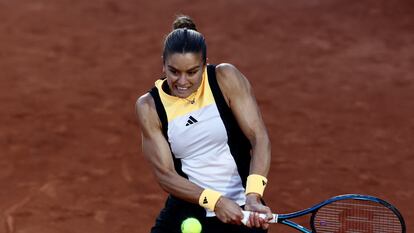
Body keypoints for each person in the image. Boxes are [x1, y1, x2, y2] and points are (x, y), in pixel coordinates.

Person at [136, 15, 273, 233]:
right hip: (190, 206)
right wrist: (215, 201)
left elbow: (259, 137)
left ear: (205, 64)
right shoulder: (150, 107)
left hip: (241, 206)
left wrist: (253, 196)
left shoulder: (225, 79)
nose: (182, 82)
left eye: (192, 72)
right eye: (174, 71)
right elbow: (165, 174)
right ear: (163, 63)